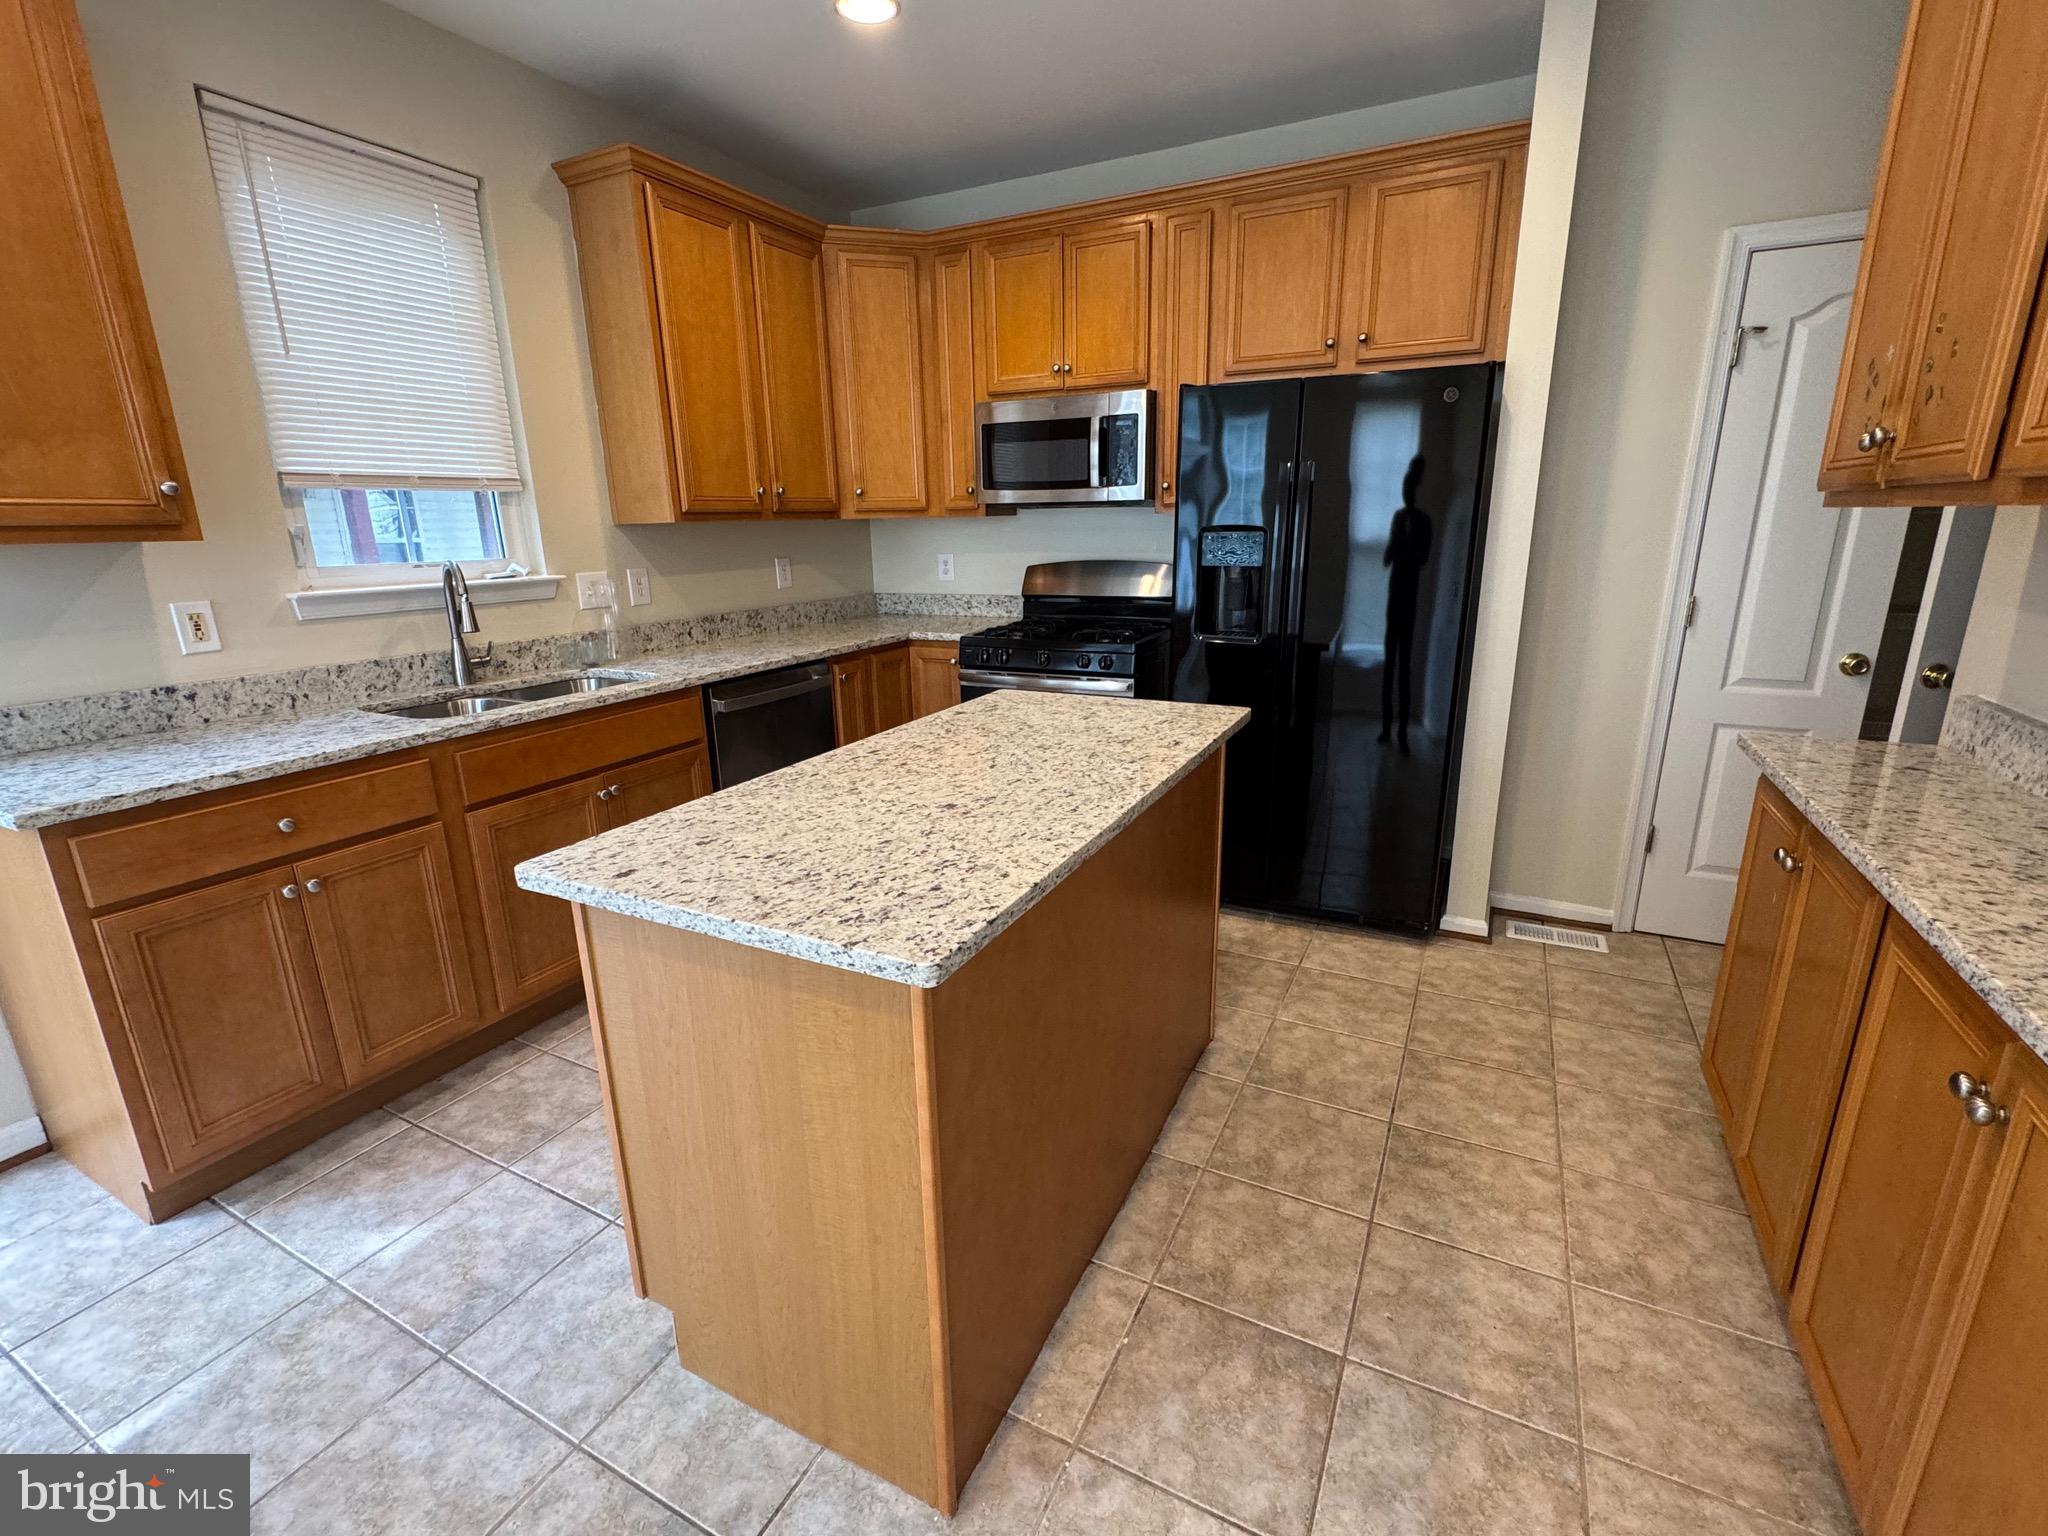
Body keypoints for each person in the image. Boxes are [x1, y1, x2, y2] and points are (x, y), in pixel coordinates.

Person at [1379, 455, 1432, 753]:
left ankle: (1401, 732)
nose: (1407, 495)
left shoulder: (1424, 522)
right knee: (1389, 666)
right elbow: (1387, 557)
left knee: (1405, 668)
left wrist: (1409, 541)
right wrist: (1399, 537)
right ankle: (1386, 728)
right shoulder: (1399, 518)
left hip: (1410, 602)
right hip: (1393, 599)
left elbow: (1423, 559)